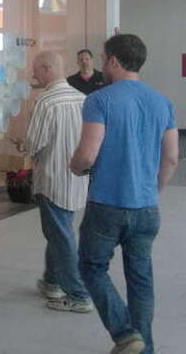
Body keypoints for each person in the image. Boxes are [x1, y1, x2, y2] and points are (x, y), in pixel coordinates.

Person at [70, 34, 179, 354]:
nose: (102, 64)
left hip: (107, 204)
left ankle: (125, 333)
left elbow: (87, 156)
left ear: (114, 61)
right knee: (141, 277)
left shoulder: (100, 100)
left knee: (90, 267)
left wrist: (75, 167)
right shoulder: (163, 102)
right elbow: (171, 157)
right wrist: (154, 188)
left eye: (104, 58)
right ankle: (143, 349)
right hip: (146, 207)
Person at [17, 51, 92, 312]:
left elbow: (35, 144)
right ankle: (52, 281)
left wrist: (23, 147)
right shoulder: (82, 99)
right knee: (59, 231)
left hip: (51, 181)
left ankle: (78, 295)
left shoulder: (46, 102)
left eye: (36, 70)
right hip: (77, 180)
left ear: (48, 69)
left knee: (61, 236)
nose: (33, 75)